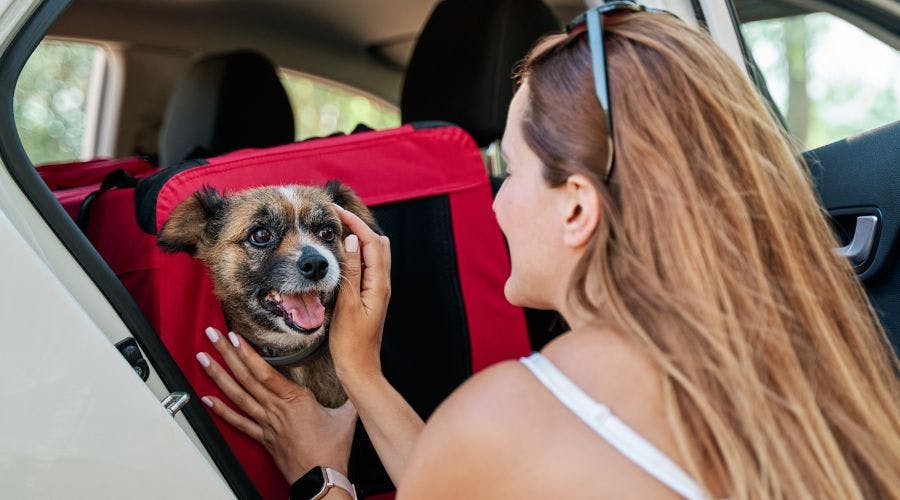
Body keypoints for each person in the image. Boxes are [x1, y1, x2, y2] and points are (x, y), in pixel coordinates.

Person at [195, 4, 900, 499]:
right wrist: (362, 375)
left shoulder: (508, 417)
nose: (494, 201)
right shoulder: (833, 369)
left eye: (512, 167)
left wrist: (324, 475)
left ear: (576, 208)